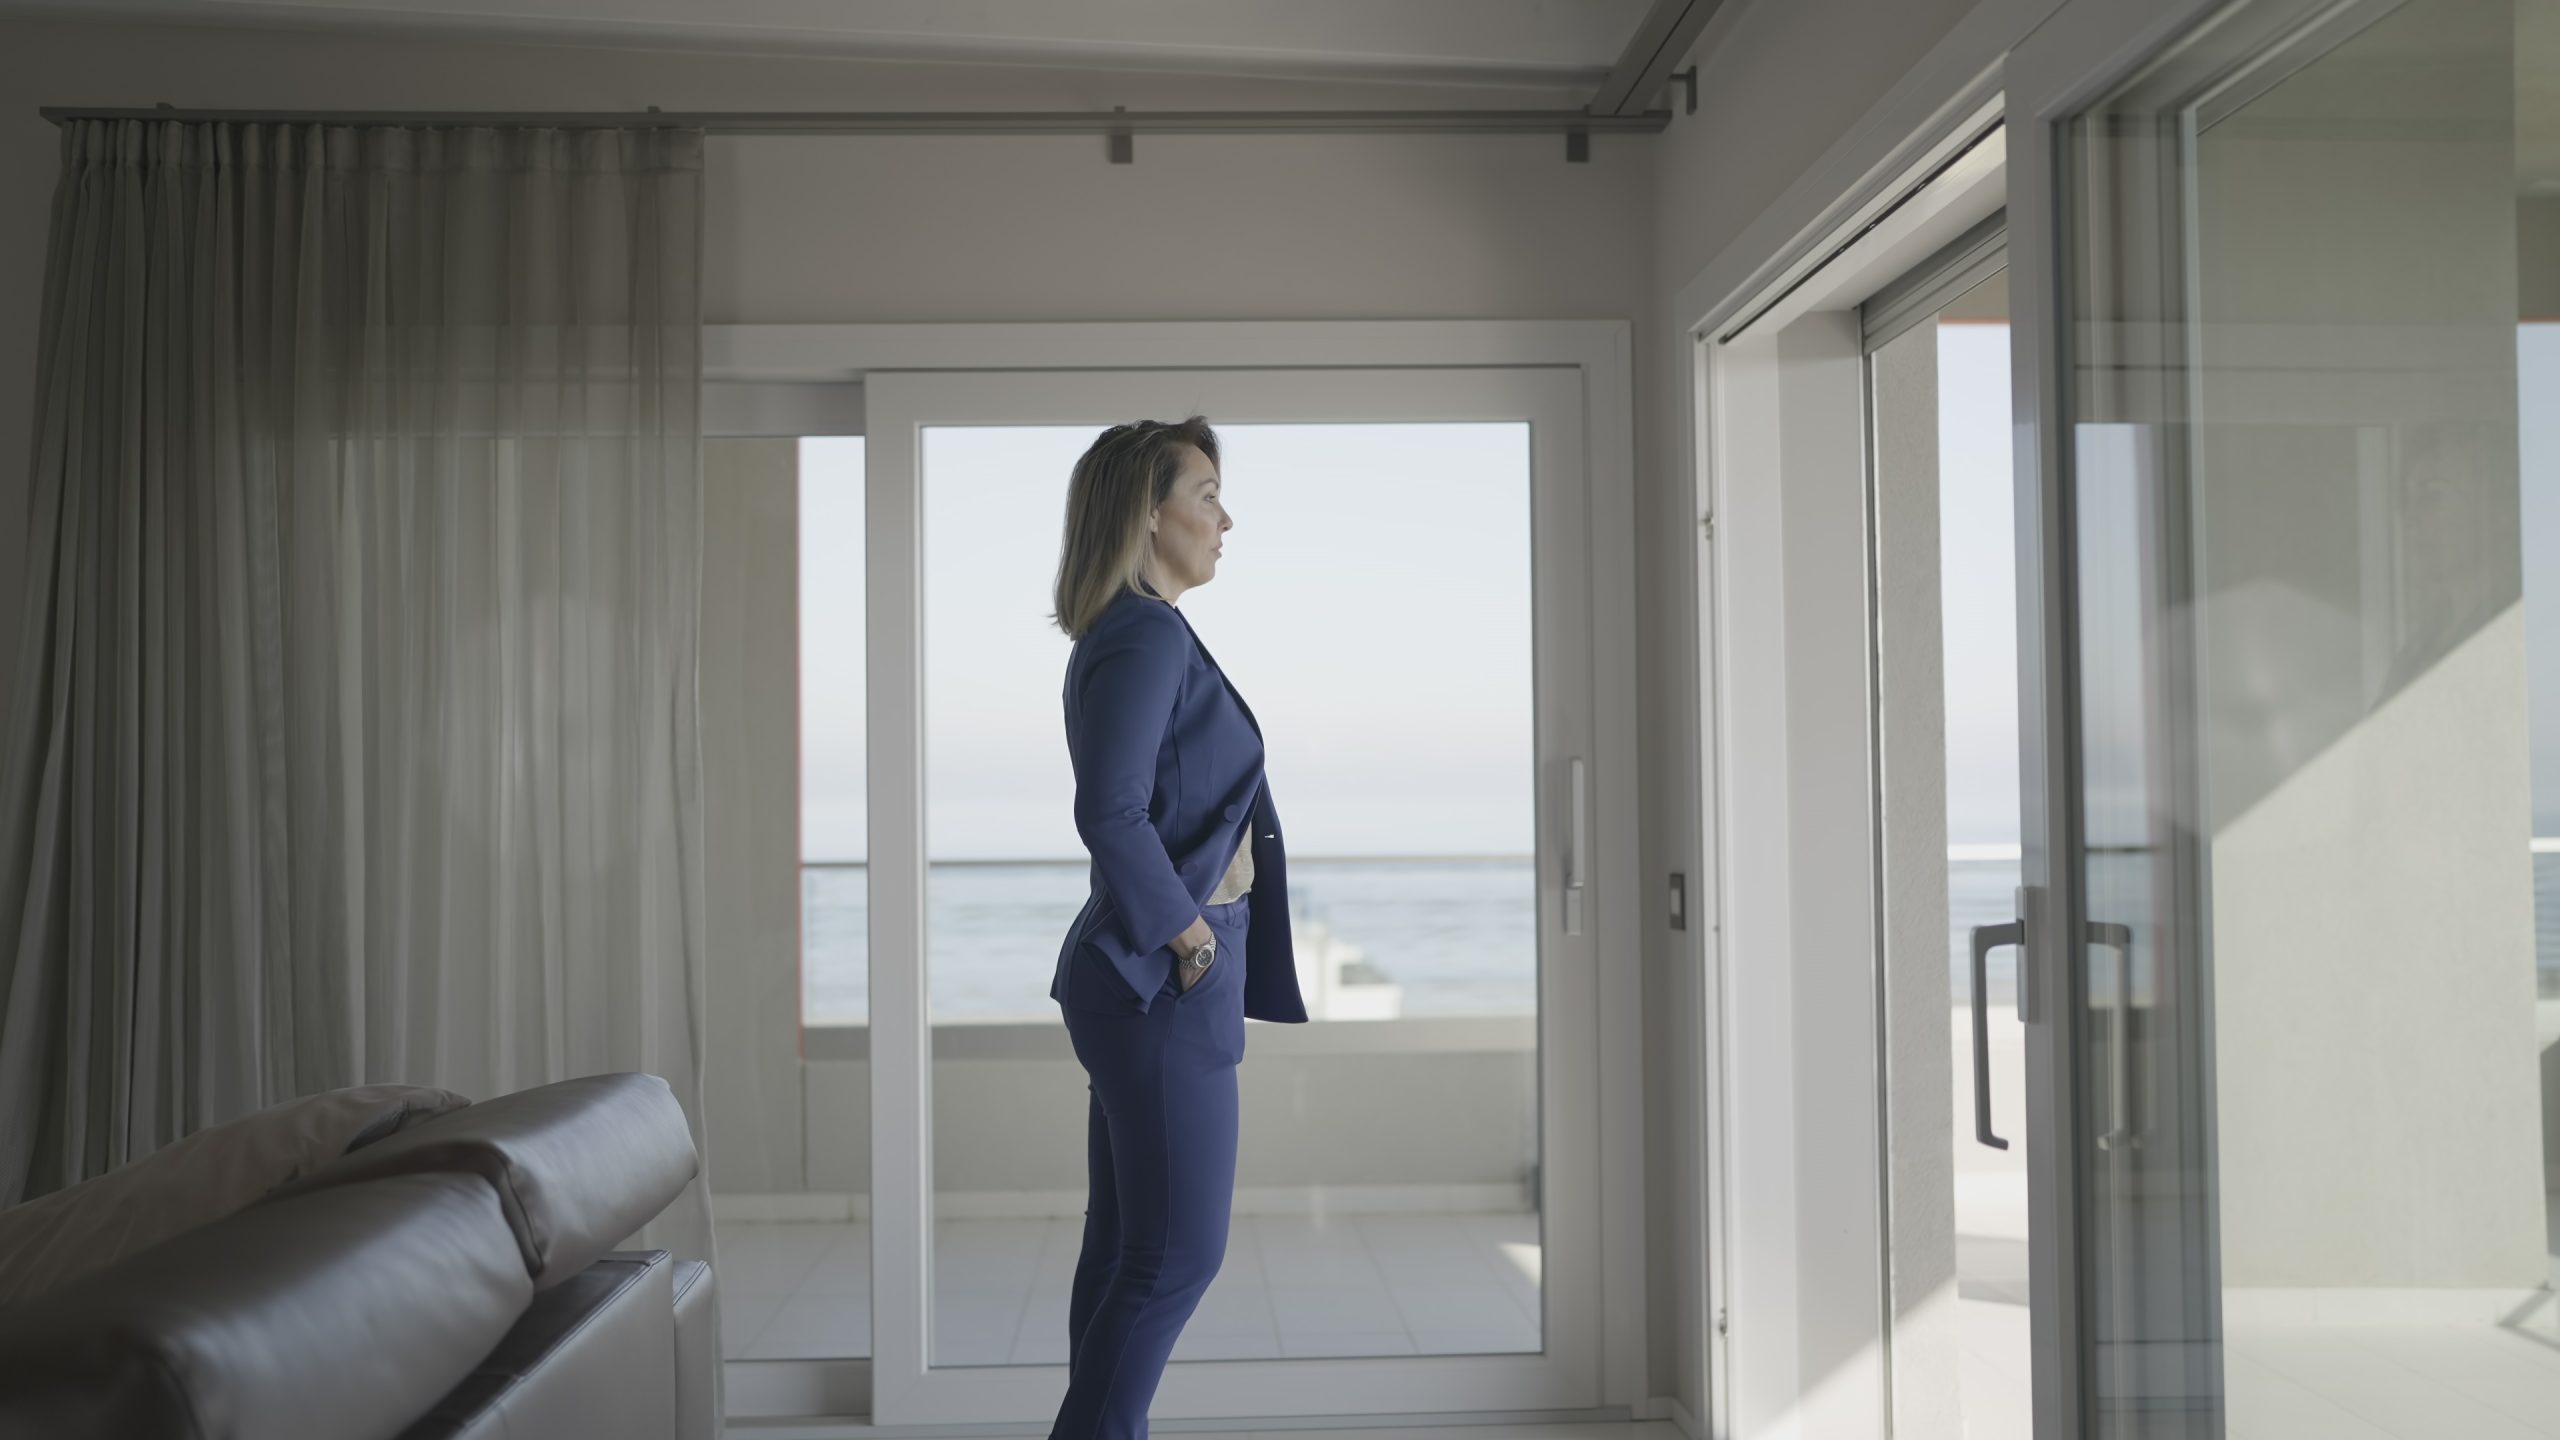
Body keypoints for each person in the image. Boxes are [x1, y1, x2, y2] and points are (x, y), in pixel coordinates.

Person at [1045, 415, 1310, 1438]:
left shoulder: (1131, 628)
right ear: (1146, 515)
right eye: (1204, 495)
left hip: (1146, 974)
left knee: (1124, 1249)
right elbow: (1107, 809)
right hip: (1163, 974)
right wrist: (1192, 942)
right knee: (1176, 1254)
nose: (1223, 517)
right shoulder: (1145, 632)